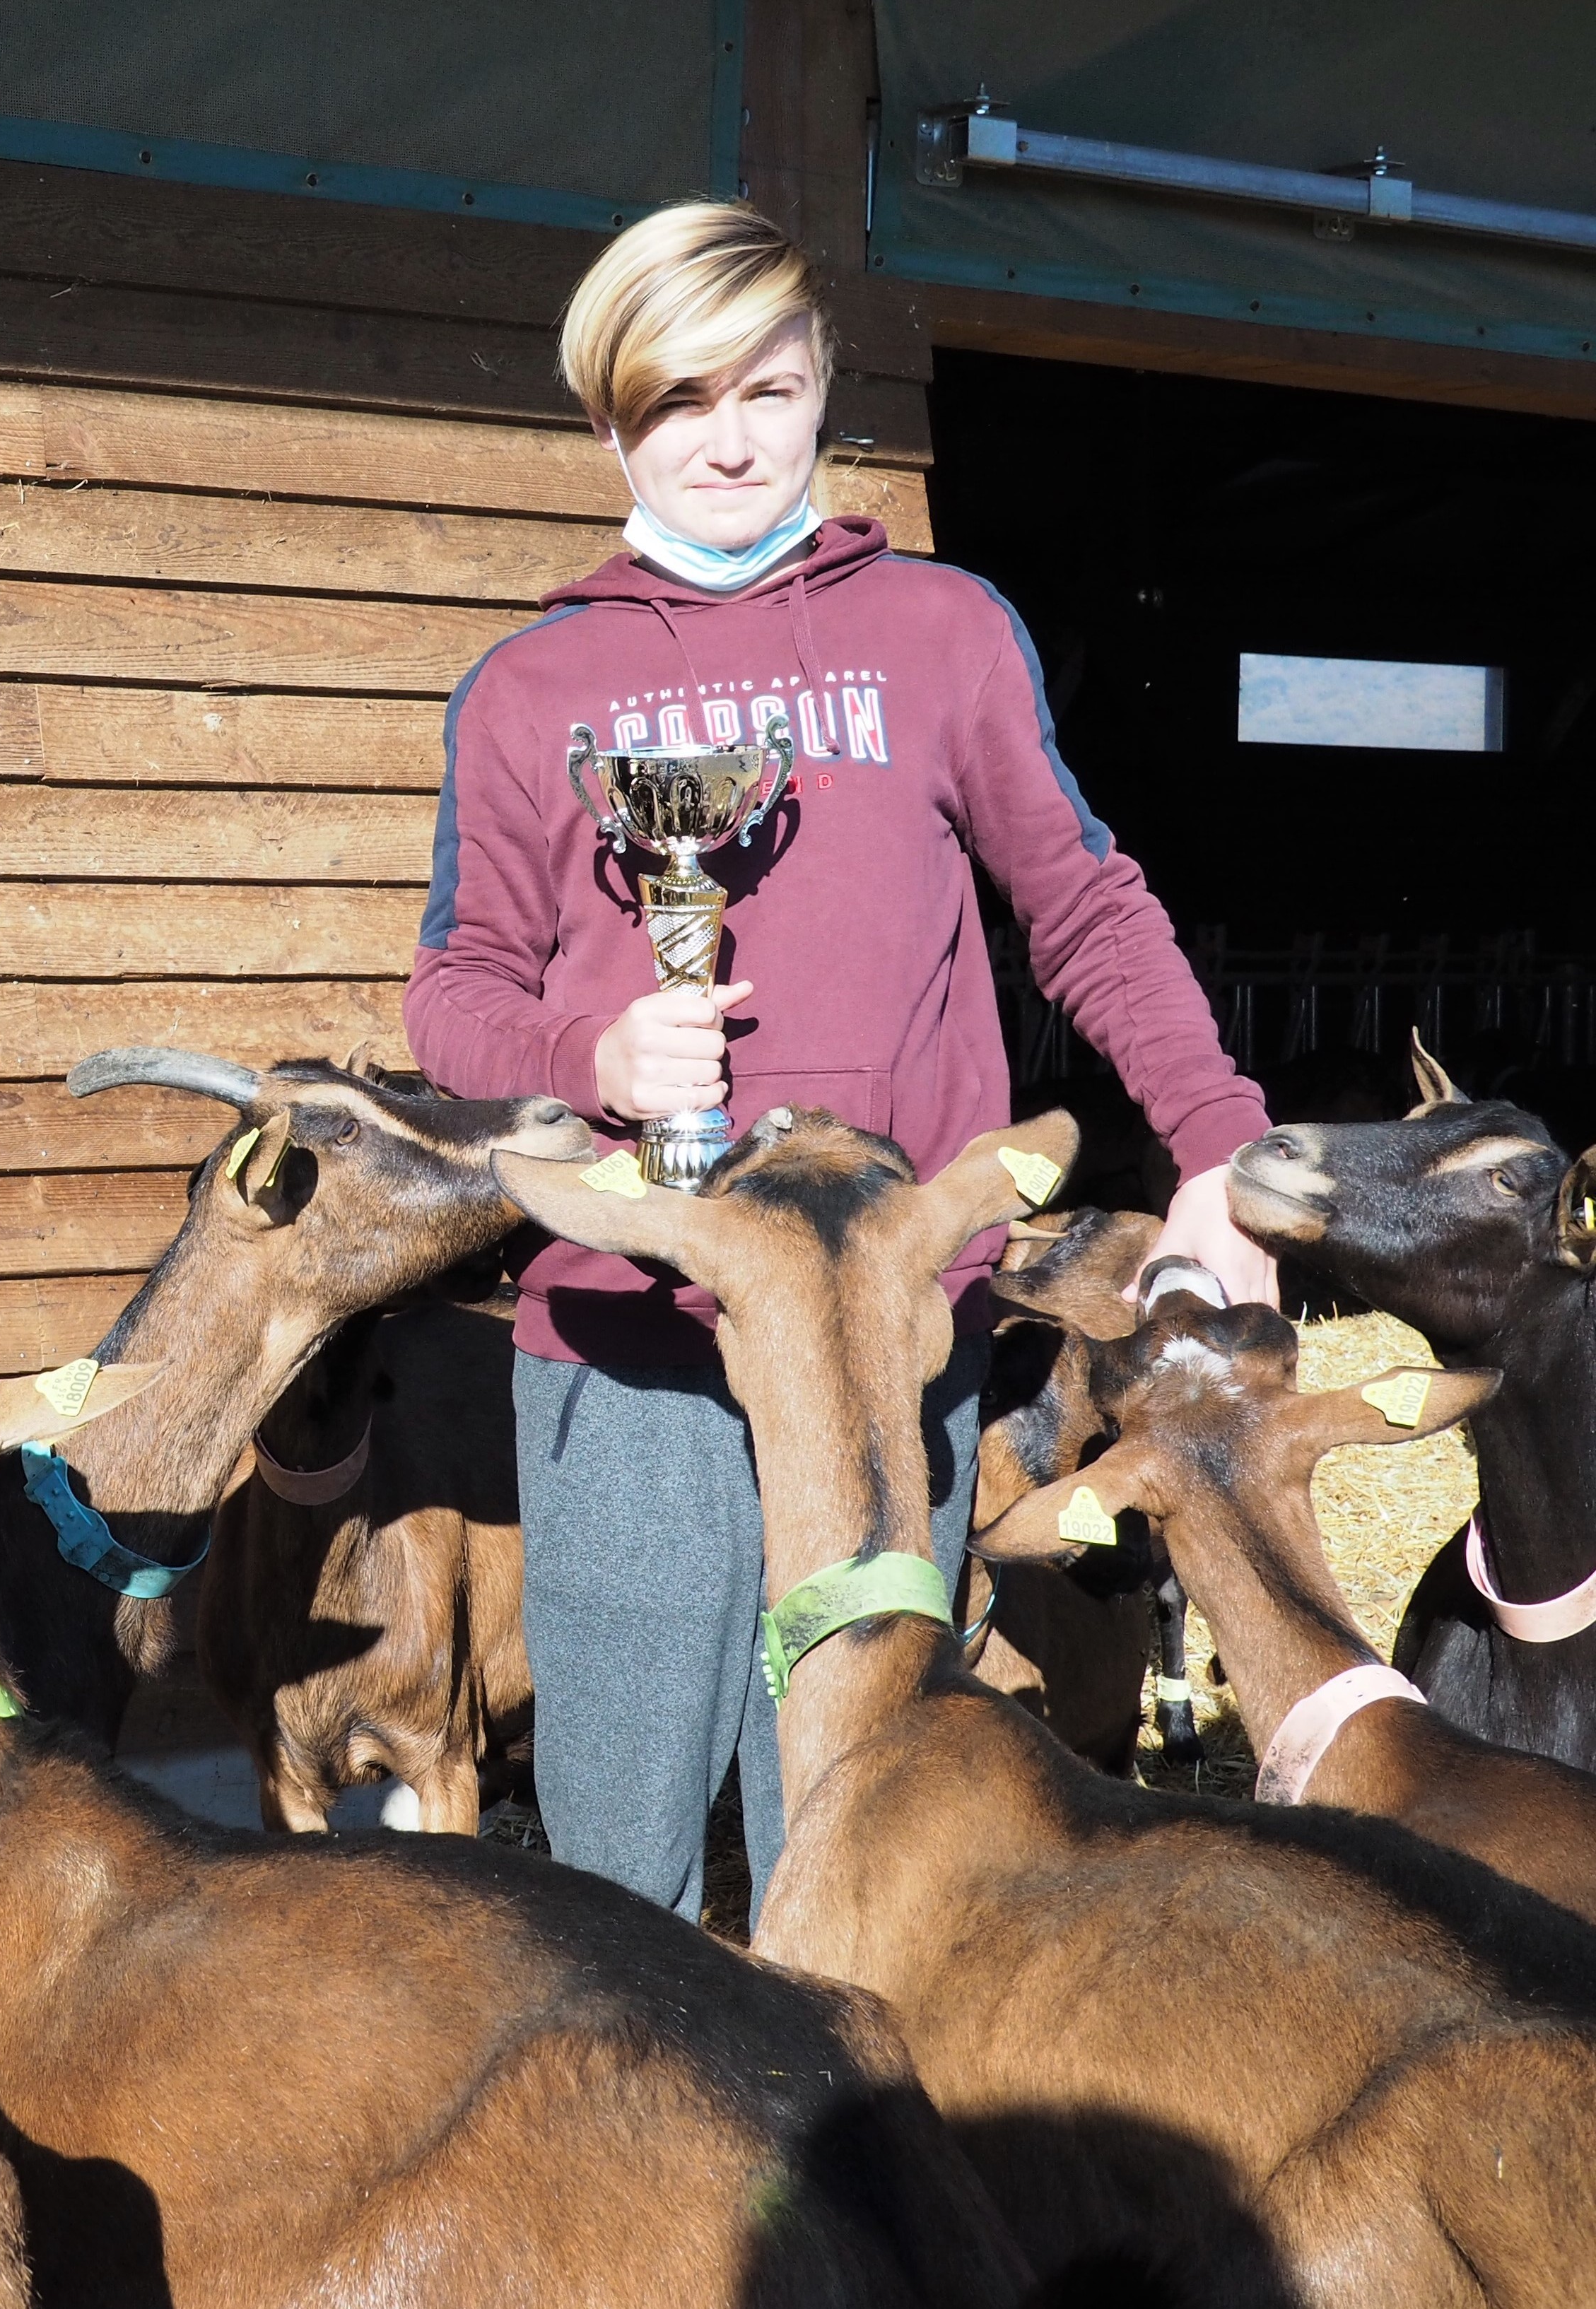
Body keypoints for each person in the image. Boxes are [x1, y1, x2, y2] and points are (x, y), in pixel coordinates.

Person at [403, 203, 1274, 1925]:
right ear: (607, 424)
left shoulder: (944, 635)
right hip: (626, 1350)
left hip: (885, 1349)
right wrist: (594, 1051)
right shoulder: (528, 689)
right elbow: (455, 997)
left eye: (768, 388)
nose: (728, 439)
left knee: (848, 1848)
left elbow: (1086, 909)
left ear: (823, 391)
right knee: (623, 1887)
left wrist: (1219, 1148)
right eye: (677, 402)